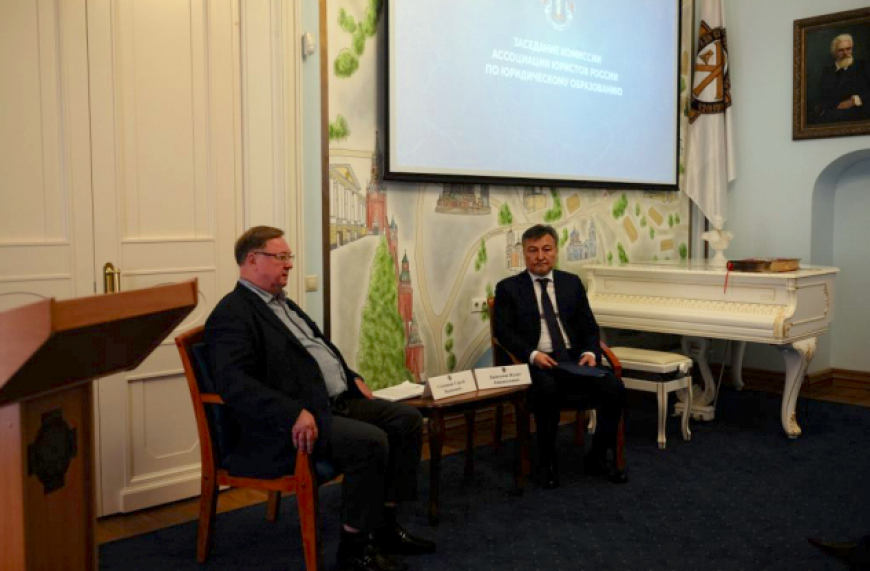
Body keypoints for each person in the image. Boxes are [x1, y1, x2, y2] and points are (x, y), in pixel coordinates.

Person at [205, 226, 434, 571]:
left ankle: (385, 527)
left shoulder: (284, 304)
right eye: (281, 257)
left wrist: (350, 376)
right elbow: (235, 384)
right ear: (252, 260)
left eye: (289, 257)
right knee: (370, 442)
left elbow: (318, 349)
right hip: (289, 424)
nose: (289, 264)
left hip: (331, 403)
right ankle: (354, 549)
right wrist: (291, 412)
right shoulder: (231, 314)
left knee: (407, 420)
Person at [493, 224, 627, 489]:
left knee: (614, 387)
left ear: (555, 251)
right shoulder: (508, 288)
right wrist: (533, 355)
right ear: (524, 253)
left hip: (574, 360)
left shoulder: (571, 283)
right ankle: (547, 463)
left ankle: (598, 456)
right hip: (536, 363)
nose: (540, 256)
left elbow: (589, 326)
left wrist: (590, 353)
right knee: (547, 389)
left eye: (546, 249)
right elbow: (503, 333)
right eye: (533, 250)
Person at [811, 33, 870, 124]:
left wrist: (854, 101)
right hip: (831, 119)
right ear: (834, 52)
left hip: (857, 117)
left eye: (848, 49)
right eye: (841, 50)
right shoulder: (827, 71)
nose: (845, 53)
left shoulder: (863, 66)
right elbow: (821, 97)